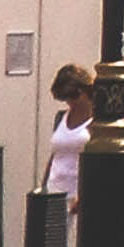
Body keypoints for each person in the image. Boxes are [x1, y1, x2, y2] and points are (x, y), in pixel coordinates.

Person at [39, 62, 95, 214]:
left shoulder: (97, 121)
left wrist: (83, 196)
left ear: (85, 91)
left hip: (78, 195)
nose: (70, 102)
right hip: (54, 191)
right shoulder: (61, 118)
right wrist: (43, 188)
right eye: (66, 98)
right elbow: (54, 156)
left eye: (74, 96)